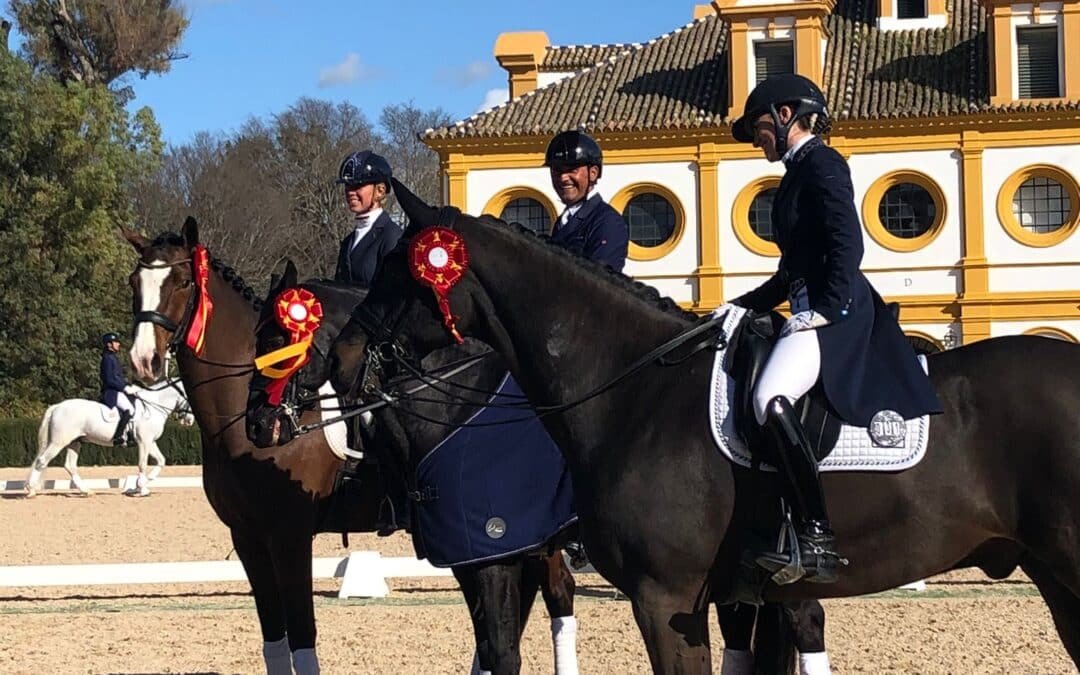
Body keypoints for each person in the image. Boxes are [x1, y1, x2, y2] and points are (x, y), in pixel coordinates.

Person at [729, 73, 942, 584]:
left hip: (836, 311)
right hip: (810, 304)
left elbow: (848, 241)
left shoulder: (822, 163)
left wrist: (828, 308)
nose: (757, 140)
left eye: (759, 127)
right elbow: (789, 274)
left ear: (784, 116)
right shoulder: (794, 175)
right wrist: (734, 307)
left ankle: (817, 536)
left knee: (770, 397)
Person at [543, 130, 629, 272]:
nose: (563, 178)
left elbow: (602, 280)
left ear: (593, 173)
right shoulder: (561, 222)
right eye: (557, 171)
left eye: (572, 170)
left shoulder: (607, 221)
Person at [334, 150, 403, 288]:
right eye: (348, 186)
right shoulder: (348, 241)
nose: (350, 192)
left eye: (358, 185)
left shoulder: (392, 236)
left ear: (380, 191)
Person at [100, 332, 138, 446]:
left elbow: (118, 378)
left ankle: (129, 435)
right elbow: (109, 379)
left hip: (117, 391)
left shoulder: (112, 357)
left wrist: (129, 385)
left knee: (132, 406)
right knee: (129, 409)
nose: (118, 344)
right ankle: (119, 436)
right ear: (109, 344)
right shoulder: (107, 359)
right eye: (116, 342)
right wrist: (124, 387)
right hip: (112, 392)